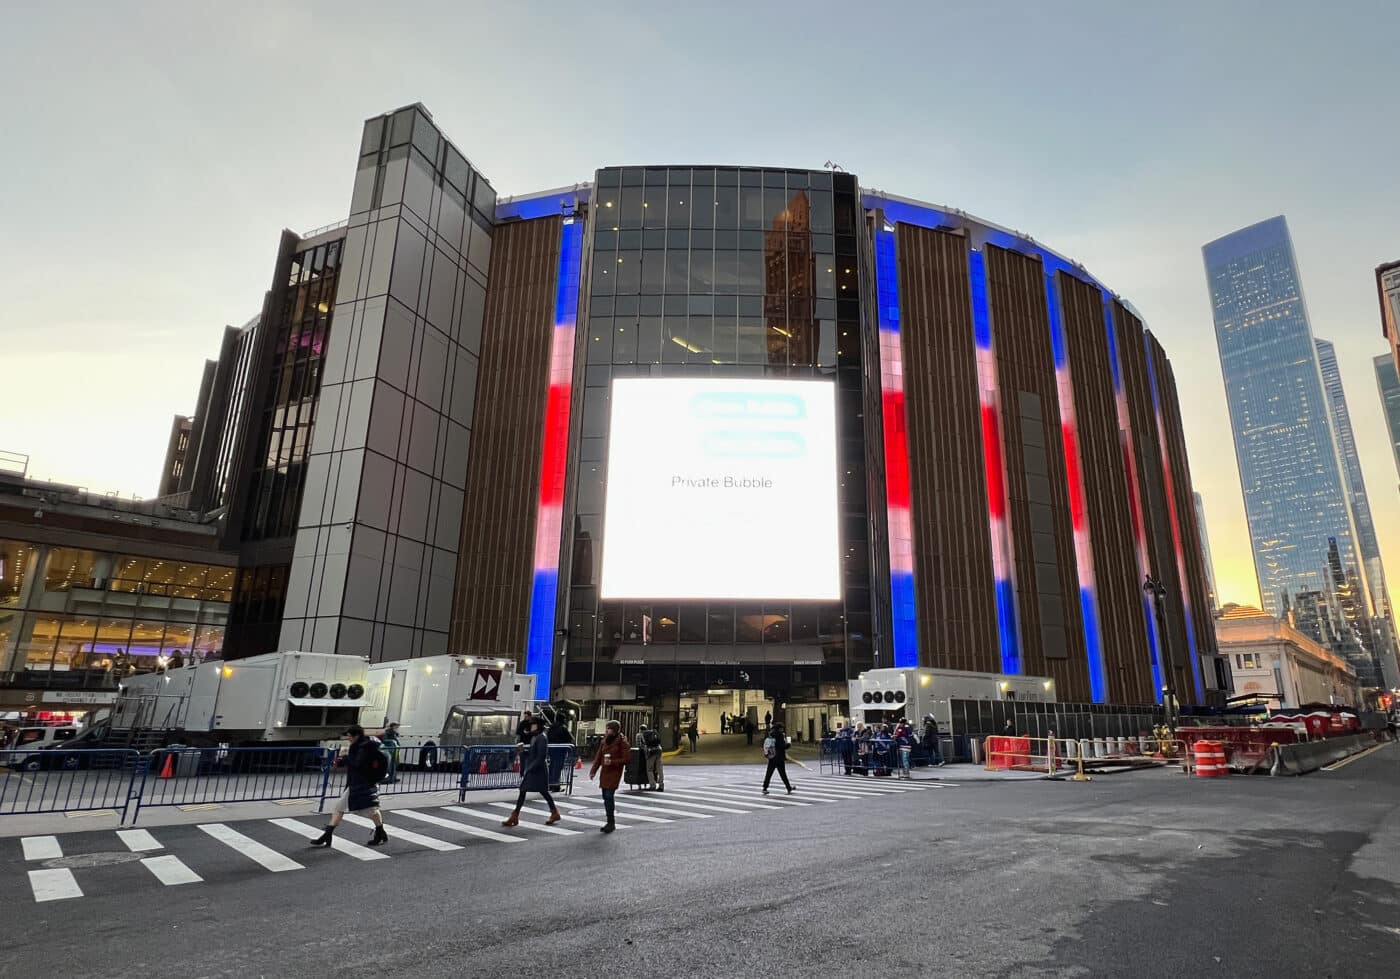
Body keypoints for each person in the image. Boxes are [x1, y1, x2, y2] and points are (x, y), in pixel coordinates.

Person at [310, 724, 389, 847]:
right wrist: (344, 759)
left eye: (350, 736)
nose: (348, 739)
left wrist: (345, 757)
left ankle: (380, 832)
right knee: (340, 808)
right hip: (357, 783)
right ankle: (327, 835)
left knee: (371, 810)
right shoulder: (362, 746)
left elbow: (358, 765)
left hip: (361, 783)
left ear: (356, 736)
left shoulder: (363, 748)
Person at [500, 718, 561, 828]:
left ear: (538, 726)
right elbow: (534, 754)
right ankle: (553, 812)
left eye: (534, 725)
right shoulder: (535, 737)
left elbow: (541, 756)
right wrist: (523, 752)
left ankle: (515, 816)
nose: (531, 727)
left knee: (531, 790)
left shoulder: (541, 738)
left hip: (538, 770)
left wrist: (530, 768)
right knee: (539, 791)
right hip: (535, 769)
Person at [589, 719, 631, 833]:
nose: (606, 731)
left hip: (614, 772)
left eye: (609, 728)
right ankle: (609, 821)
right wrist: (593, 770)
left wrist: (612, 762)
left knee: (608, 796)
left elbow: (627, 759)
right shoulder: (604, 741)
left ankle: (611, 822)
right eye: (607, 728)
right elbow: (598, 756)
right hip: (605, 772)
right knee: (605, 796)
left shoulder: (622, 742)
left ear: (615, 730)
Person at [762, 722, 794, 795]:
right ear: (779, 728)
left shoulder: (771, 734)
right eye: (782, 728)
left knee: (769, 773)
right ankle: (788, 788)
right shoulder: (780, 735)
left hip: (772, 757)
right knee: (783, 774)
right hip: (779, 757)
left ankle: (765, 788)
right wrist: (788, 745)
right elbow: (781, 746)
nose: (783, 729)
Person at [547, 714, 575, 791]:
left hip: (551, 749)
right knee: (558, 768)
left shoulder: (551, 727)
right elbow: (569, 739)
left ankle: (550, 784)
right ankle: (556, 786)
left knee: (552, 767)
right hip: (560, 750)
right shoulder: (563, 728)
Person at [641, 723, 664, 791]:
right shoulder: (653, 733)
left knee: (649, 769)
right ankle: (661, 785)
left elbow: (642, 745)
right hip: (659, 750)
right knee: (659, 769)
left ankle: (652, 785)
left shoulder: (642, 735)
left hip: (651, 752)